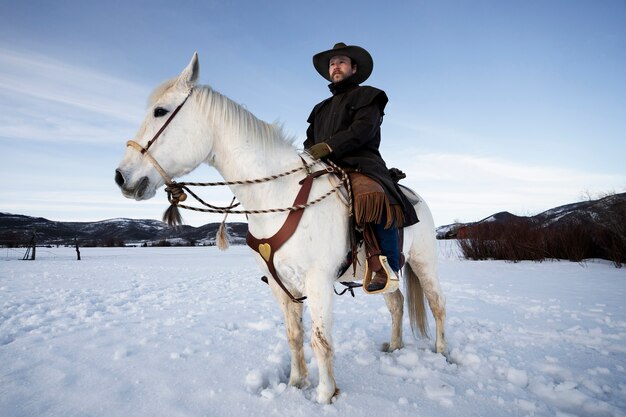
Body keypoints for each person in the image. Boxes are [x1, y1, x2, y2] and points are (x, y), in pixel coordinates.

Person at [304, 42, 418, 293]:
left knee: (373, 196)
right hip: (323, 166)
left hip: (360, 163)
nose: (336, 66)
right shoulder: (319, 109)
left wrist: (329, 147)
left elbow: (362, 130)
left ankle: (384, 267)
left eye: (341, 62)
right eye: (332, 63)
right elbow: (309, 140)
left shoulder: (369, 96)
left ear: (353, 68)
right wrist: (309, 155)